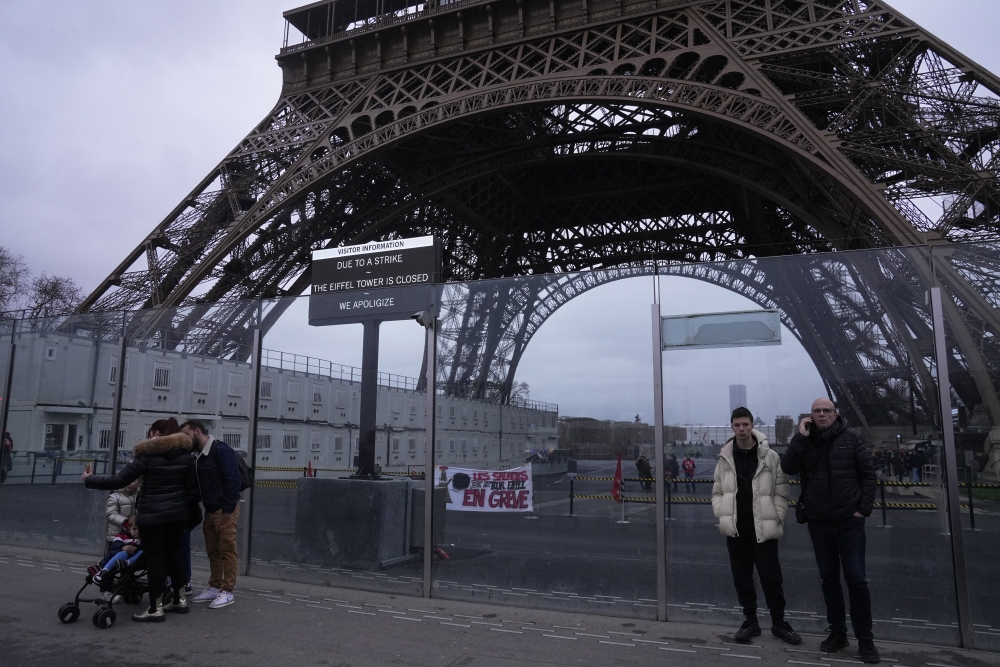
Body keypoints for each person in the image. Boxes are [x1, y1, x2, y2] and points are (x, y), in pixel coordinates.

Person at [780, 398, 879, 664]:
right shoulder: (806, 441)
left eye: (827, 410)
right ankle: (838, 633)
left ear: (835, 415)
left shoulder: (852, 440)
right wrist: (799, 438)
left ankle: (866, 640)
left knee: (856, 579)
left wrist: (862, 510)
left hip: (849, 521)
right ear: (810, 416)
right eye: (817, 411)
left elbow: (869, 475)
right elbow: (788, 468)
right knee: (829, 579)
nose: (822, 414)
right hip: (819, 521)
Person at [82, 430, 199, 622]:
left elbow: (119, 480)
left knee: (155, 559)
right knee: (174, 555)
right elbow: (192, 492)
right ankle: (180, 600)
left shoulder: (147, 457)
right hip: (178, 516)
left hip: (151, 517)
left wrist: (89, 479)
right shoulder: (187, 458)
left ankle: (155, 608)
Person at [712, 407, 799, 645]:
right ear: (732, 427)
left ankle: (779, 623)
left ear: (752, 426)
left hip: (764, 526)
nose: (741, 429)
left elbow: (782, 491)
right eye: (737, 425)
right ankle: (751, 621)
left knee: (771, 578)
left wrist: (777, 514)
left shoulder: (770, 456)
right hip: (737, 527)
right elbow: (717, 490)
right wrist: (722, 512)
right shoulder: (725, 458)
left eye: (745, 425)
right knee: (742, 578)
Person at [181, 420, 242, 609]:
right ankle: (215, 587)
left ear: (197, 431)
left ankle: (228, 591)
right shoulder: (199, 456)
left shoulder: (219, 450)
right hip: (210, 510)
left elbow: (233, 480)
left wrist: (227, 510)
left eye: (186, 434)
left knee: (228, 550)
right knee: (213, 551)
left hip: (224, 510)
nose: (185, 439)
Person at [147, 418, 193, 596]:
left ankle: (164, 590)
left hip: (163, 509)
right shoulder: (186, 455)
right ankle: (182, 586)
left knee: (164, 550)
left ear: (157, 433)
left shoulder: (154, 456)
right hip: (181, 509)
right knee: (179, 548)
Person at [91, 520, 143, 588]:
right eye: (134, 529)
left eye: (139, 529)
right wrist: (123, 546)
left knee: (143, 551)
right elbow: (114, 544)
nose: (137, 531)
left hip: (132, 560)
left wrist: (136, 547)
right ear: (128, 528)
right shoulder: (123, 534)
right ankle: (103, 572)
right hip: (120, 556)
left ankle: (126, 563)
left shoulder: (142, 536)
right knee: (124, 553)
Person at [105, 479, 139, 548]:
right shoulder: (115, 497)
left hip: (137, 537)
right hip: (117, 537)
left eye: (132, 481)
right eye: (125, 480)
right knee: (115, 557)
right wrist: (126, 522)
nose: (128, 483)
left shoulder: (141, 496)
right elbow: (110, 514)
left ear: (138, 482)